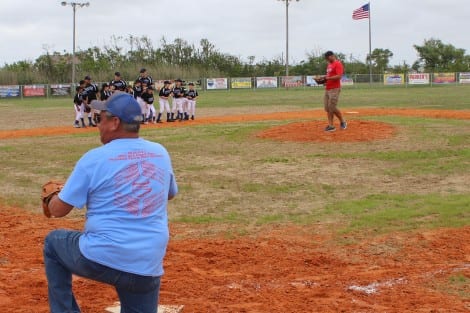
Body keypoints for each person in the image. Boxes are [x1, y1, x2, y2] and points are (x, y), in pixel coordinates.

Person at [43, 92, 178, 313]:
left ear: (115, 122)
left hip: (102, 256)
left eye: (100, 118)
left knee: (53, 243)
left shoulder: (95, 158)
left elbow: (57, 210)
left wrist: (52, 198)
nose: (98, 124)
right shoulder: (160, 153)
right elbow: (170, 194)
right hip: (148, 264)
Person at [321, 51, 347, 132]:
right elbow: (329, 76)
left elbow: (339, 76)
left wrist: (328, 78)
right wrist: (323, 80)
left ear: (332, 56)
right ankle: (342, 121)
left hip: (335, 89)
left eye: (328, 58)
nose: (327, 60)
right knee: (327, 108)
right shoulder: (329, 65)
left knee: (331, 107)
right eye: (326, 59)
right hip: (328, 89)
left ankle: (331, 126)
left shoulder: (338, 64)